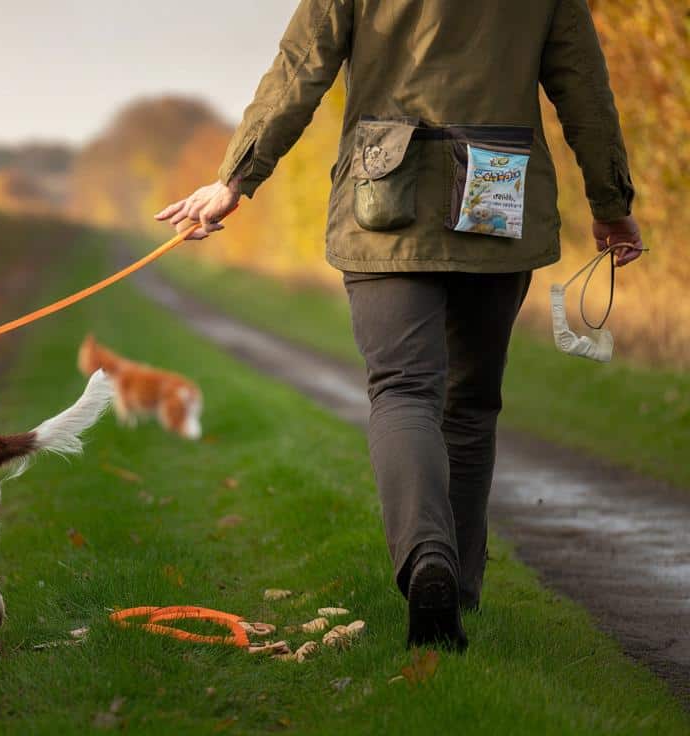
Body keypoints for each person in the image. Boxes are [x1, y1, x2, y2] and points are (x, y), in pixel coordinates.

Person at [156, 0, 645, 650]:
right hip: (498, 186)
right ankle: (460, 591)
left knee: (404, 390)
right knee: (470, 405)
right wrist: (611, 203)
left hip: (385, 197)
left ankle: (426, 560)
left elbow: (301, 69)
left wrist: (237, 178)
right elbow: (583, 84)